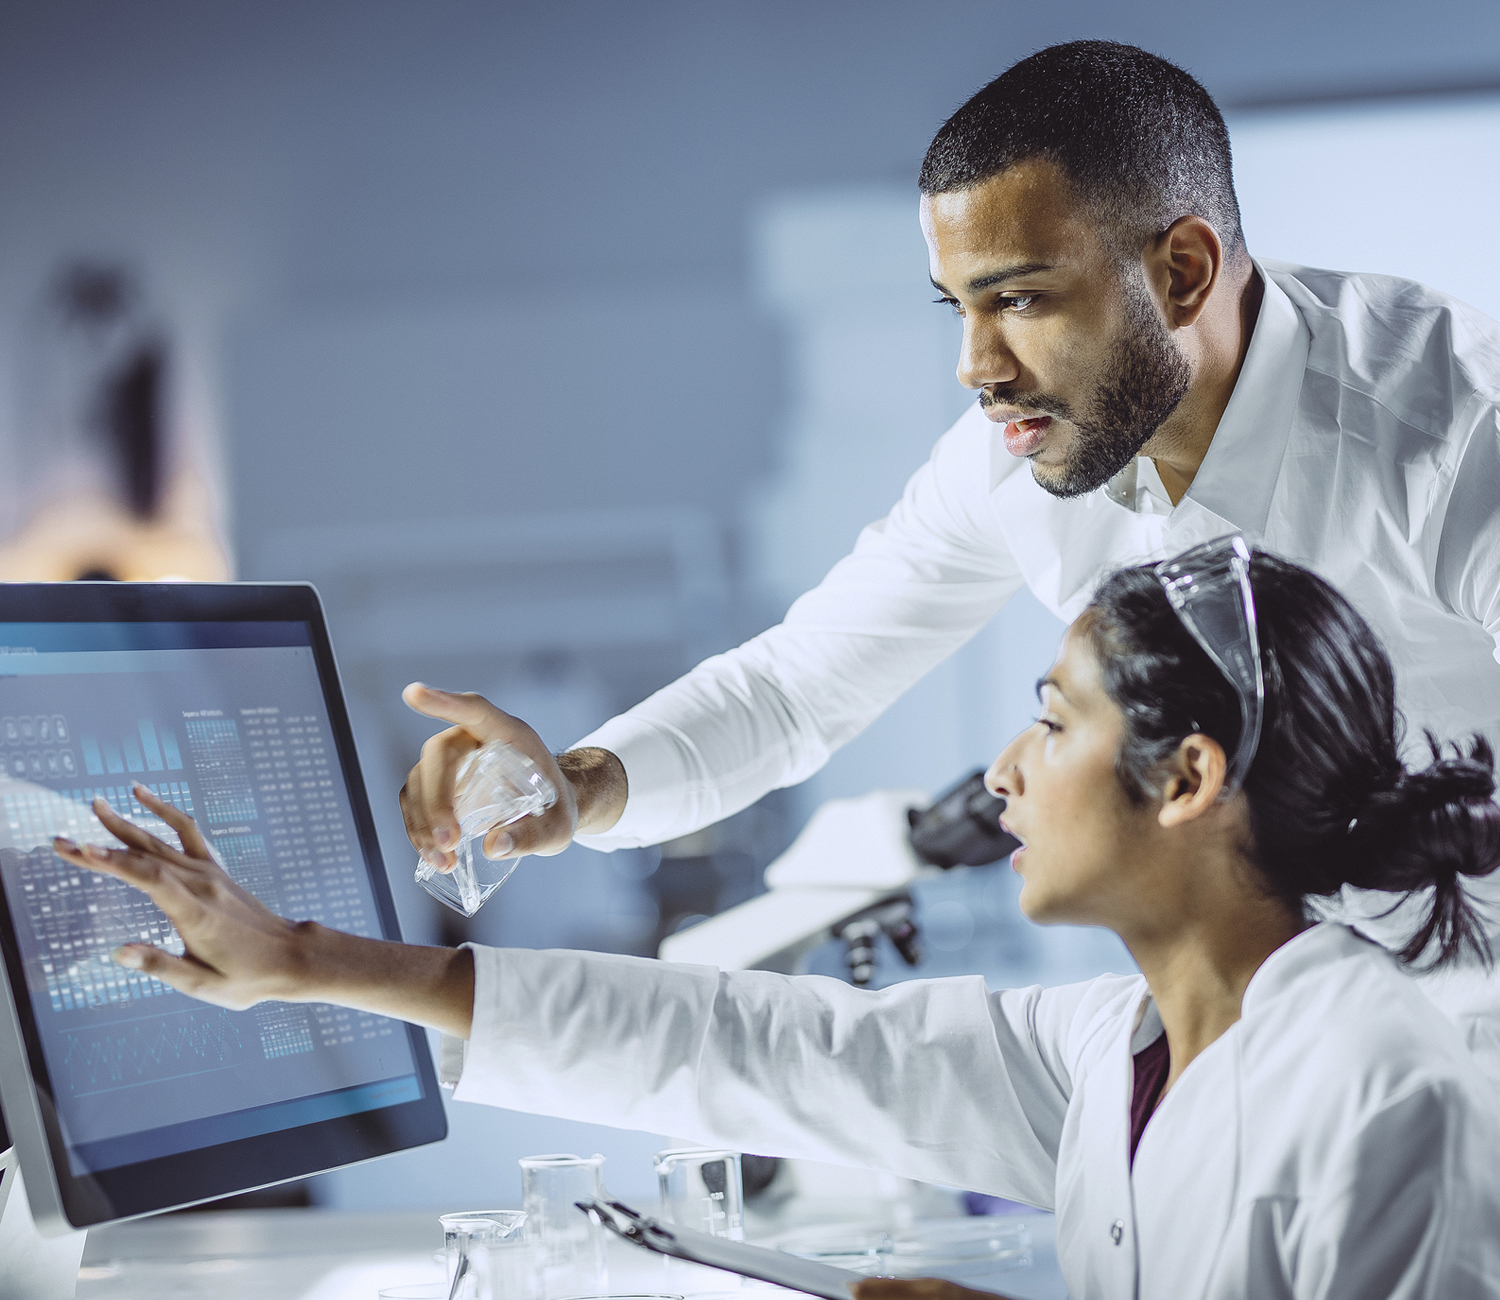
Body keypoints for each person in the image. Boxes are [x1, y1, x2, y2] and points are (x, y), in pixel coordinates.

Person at [399, 41, 1500, 1071]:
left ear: (1182, 271)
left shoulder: (1457, 437)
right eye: (958, 307)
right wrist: (578, 784)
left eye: (1020, 298)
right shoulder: (1019, 455)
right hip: (1281, 1043)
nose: (977, 367)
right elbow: (795, 686)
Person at [54, 543, 1500, 1297]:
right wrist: (304, 962)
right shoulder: (1115, 1052)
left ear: (1185, 780)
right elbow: (757, 1045)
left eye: (1054, 722)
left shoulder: (1380, 1089)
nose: (1003, 772)